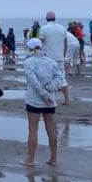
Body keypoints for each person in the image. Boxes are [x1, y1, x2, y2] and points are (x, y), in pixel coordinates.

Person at [20, 38, 61, 166]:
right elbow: (59, 79)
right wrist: (48, 91)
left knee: (33, 130)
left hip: (35, 100)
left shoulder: (28, 62)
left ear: (30, 48)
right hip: (49, 100)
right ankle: (54, 158)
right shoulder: (52, 61)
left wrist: (44, 94)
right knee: (52, 130)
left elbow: (34, 82)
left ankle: (30, 159)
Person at [39, 11, 70, 104]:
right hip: (59, 57)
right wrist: (63, 54)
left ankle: (50, 99)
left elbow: (40, 43)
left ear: (46, 18)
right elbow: (65, 43)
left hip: (48, 58)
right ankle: (66, 100)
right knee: (62, 78)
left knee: (47, 79)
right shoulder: (62, 28)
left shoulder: (44, 28)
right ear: (55, 18)